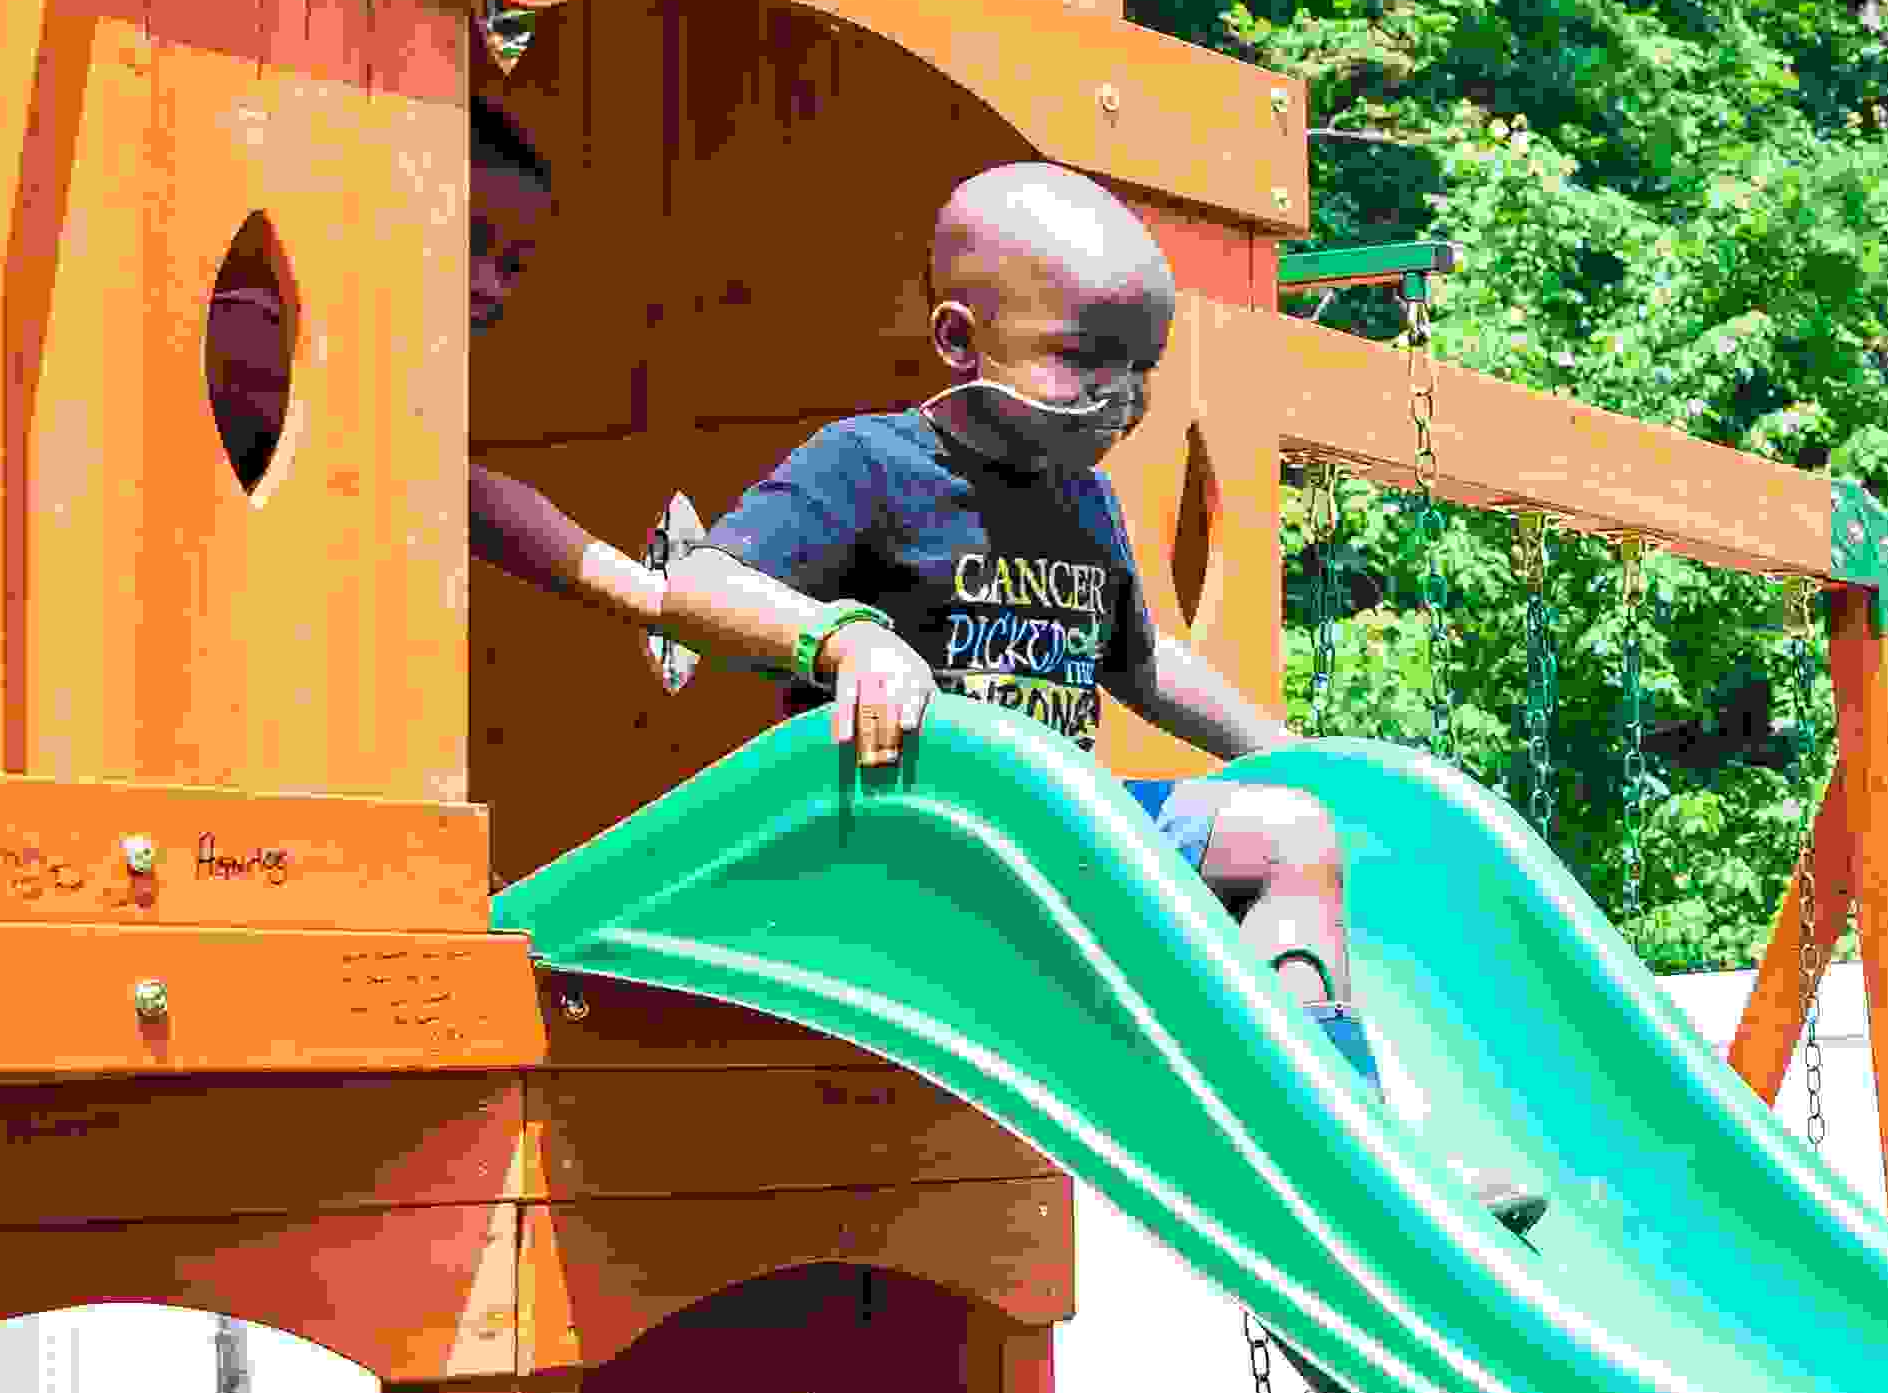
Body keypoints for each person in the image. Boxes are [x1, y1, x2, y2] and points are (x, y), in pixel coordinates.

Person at [657, 161, 1546, 1228]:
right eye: (1082, 360)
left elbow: (1142, 662)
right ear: (958, 339)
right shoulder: (868, 466)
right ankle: (1327, 1147)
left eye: (1141, 370)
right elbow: (695, 581)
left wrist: (1279, 744)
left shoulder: (1081, 498)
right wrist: (845, 640)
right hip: (919, 856)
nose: (1119, 398)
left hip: (1063, 839)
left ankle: (1356, 1147)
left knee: (1288, 828)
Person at [457, 99, 669, 633]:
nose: (489, 285)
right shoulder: (264, 339)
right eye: (469, 241)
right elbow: (469, 496)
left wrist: (672, 604)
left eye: (511, 265)